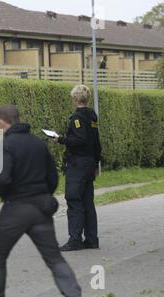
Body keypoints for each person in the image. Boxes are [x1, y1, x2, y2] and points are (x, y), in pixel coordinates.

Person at [0, 104, 82, 297]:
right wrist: (43, 194)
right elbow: (53, 178)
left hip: (15, 209)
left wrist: (8, 197)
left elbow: (1, 179)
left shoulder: (5, 145)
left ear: (2, 122)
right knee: (53, 256)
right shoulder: (39, 144)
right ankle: (74, 295)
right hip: (41, 208)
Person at [56, 85, 102, 252]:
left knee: (74, 199)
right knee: (87, 201)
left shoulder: (77, 118)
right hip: (89, 163)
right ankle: (91, 239)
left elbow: (80, 140)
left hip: (77, 164)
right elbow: (96, 142)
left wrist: (61, 139)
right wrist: (96, 163)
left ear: (75, 99)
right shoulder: (92, 116)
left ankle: (75, 239)